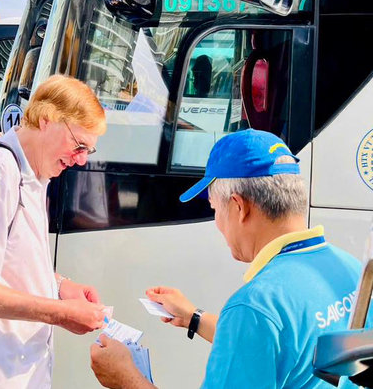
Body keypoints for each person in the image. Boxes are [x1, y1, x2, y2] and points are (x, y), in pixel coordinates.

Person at [89, 129, 364, 389]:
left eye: (215, 210)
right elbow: (280, 348)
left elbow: (259, 328)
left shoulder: (255, 306)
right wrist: (193, 318)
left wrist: (126, 379)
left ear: (238, 207)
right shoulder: (350, 270)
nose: (218, 224)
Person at [0, 75, 109, 388]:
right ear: (47, 120)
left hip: (16, 366)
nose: (82, 159)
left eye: (90, 149)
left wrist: (60, 286)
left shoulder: (31, 173)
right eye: (79, 145)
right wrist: (59, 313)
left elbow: (7, 263)